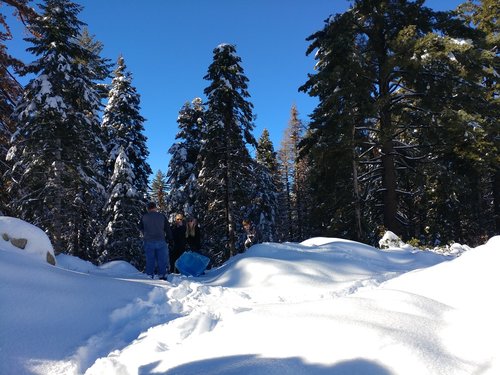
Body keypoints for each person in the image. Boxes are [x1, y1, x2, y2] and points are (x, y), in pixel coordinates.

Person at [139, 201, 173, 280]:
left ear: (148, 209)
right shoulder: (162, 216)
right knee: (162, 259)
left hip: (148, 241)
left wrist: (144, 234)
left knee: (150, 259)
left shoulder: (144, 217)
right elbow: (167, 228)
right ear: (155, 208)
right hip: (161, 240)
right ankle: (162, 275)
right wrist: (170, 239)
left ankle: (149, 275)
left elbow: (140, 227)